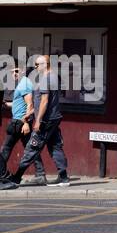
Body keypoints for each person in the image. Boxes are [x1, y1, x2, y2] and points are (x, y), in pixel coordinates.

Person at [0, 55, 69, 190]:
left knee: (32, 147)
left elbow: (44, 102)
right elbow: (39, 103)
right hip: (53, 118)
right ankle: (63, 176)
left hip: (46, 120)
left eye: (37, 65)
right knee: (55, 146)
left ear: (46, 64)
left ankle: (17, 176)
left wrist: (37, 120)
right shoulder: (53, 77)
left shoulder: (45, 79)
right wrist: (30, 114)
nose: (35, 67)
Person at [0, 65, 48, 185]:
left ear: (21, 71)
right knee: (30, 148)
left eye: (16, 71)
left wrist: (25, 123)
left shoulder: (24, 83)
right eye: (12, 72)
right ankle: (40, 173)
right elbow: (19, 103)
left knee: (6, 149)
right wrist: (6, 104)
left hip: (19, 122)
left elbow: (29, 104)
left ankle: (1, 174)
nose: (13, 74)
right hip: (19, 121)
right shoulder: (22, 83)